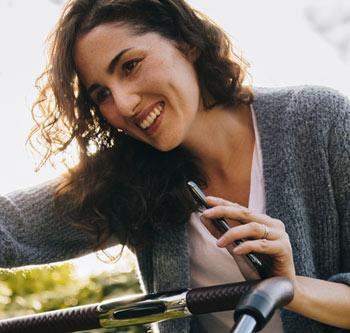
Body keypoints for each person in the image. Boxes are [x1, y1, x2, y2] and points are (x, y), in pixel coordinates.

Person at [1, 0, 349, 332]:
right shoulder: (126, 179)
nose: (123, 104)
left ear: (186, 42)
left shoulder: (319, 122)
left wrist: (292, 289)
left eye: (130, 65)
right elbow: (10, 229)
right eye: (102, 95)